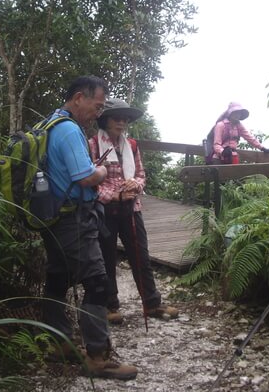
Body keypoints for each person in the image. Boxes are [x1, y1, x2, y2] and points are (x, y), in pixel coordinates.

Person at [42, 76, 137, 381]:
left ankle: (60, 343)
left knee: (58, 277)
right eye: (97, 105)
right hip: (73, 219)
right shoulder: (69, 130)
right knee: (97, 283)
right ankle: (97, 356)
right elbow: (84, 177)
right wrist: (100, 169)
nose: (99, 112)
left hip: (52, 217)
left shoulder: (49, 125)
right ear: (79, 97)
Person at [88, 98, 178, 325]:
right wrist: (115, 195)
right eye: (117, 117)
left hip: (132, 207)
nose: (122, 122)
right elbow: (89, 180)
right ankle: (110, 306)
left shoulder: (132, 145)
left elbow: (140, 174)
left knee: (141, 256)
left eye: (125, 118)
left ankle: (152, 303)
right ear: (106, 120)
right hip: (105, 209)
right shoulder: (93, 145)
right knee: (106, 258)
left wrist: (135, 185)